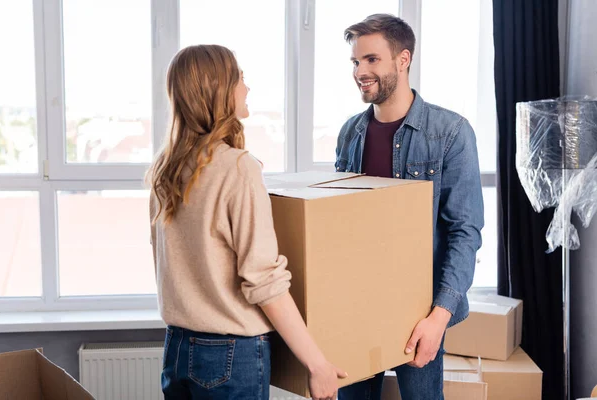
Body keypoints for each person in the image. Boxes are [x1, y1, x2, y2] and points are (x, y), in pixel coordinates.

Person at [147, 44, 346, 400]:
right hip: (228, 355)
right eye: (240, 77)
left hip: (176, 349)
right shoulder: (237, 168)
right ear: (218, 90)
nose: (247, 87)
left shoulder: (167, 169)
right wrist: (318, 365)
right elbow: (263, 280)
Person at [335, 14, 484, 400]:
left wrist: (439, 318)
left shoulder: (450, 132)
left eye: (371, 60)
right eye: (355, 62)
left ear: (403, 60)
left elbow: (464, 232)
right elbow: (338, 223)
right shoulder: (351, 132)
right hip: (358, 308)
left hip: (418, 313)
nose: (360, 71)